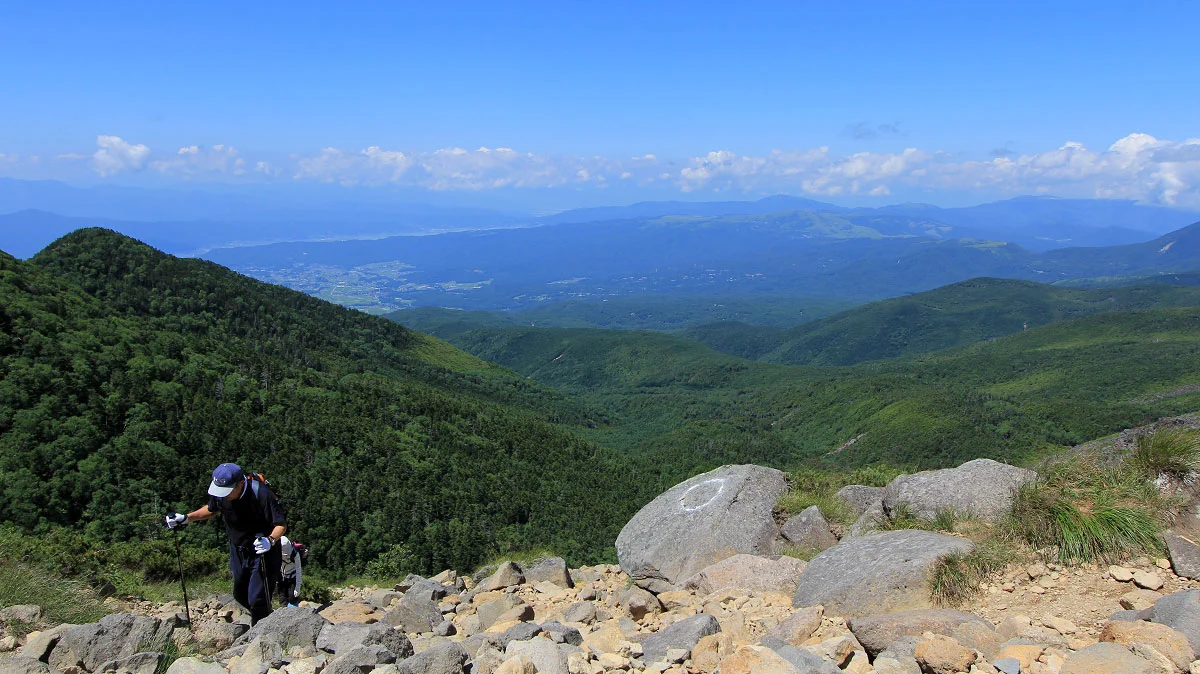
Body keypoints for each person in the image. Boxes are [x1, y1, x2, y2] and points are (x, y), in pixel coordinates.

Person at [165, 463, 287, 624]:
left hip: (263, 552)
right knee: (240, 594)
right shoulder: (222, 494)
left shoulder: (261, 494)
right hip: (238, 550)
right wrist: (187, 518)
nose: (223, 495)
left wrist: (270, 540)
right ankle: (266, 620)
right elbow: (212, 508)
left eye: (227, 491)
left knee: (258, 599)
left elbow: (281, 524)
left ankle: (260, 639)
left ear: (241, 484)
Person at [276, 536, 305, 607]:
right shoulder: (276, 554)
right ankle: (284, 614)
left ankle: (294, 612)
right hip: (282, 577)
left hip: (293, 577)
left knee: (293, 598)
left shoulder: (295, 553)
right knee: (282, 600)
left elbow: (298, 570)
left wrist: (297, 587)